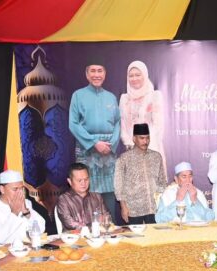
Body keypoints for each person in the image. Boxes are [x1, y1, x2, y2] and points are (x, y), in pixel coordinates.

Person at [68, 59, 120, 219]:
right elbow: (73, 124)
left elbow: (118, 122)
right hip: (87, 150)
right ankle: (89, 228)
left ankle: (110, 227)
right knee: (86, 191)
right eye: (93, 71)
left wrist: (111, 146)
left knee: (109, 194)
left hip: (108, 152)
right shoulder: (78, 95)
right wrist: (94, 143)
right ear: (86, 74)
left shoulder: (111, 97)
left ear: (105, 74)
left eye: (100, 71)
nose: (96, 74)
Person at [114, 123, 167, 224]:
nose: (145, 141)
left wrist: (161, 202)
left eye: (147, 138)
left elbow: (162, 181)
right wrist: (123, 207)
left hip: (154, 209)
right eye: (142, 138)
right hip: (133, 210)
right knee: (136, 234)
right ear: (134, 139)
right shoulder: (124, 159)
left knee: (154, 234)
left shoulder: (156, 157)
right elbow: (118, 185)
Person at [119, 61, 165, 171]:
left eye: (138, 75)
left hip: (151, 147)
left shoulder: (154, 96)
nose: (134, 78)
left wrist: (143, 144)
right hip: (131, 149)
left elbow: (158, 125)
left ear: (145, 75)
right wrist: (130, 143)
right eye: (131, 76)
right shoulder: (124, 99)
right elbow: (122, 125)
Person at [0, 170, 46, 245]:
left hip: (28, 248)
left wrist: (26, 212)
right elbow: (0, 239)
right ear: (2, 189)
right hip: (4, 251)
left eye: (21, 188)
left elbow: (41, 228)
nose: (20, 193)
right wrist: (14, 213)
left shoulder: (26, 203)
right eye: (15, 189)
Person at [56, 163, 109, 231]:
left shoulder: (97, 197)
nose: (83, 183)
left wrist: (104, 220)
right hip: (74, 237)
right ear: (70, 181)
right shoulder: (64, 200)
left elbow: (107, 218)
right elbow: (70, 224)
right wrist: (94, 226)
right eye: (79, 180)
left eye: (86, 179)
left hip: (99, 236)